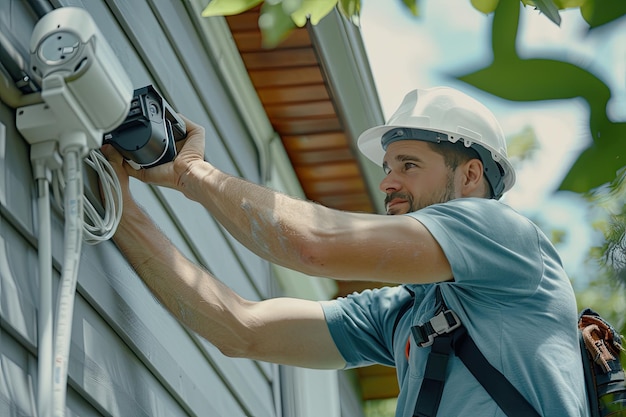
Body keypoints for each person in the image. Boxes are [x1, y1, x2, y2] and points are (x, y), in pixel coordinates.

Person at [102, 86, 589, 416]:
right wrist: (120, 210)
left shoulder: (502, 233)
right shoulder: (406, 312)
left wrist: (195, 175)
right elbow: (240, 330)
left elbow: (313, 246)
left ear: (469, 175)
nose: (387, 181)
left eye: (409, 164)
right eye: (388, 165)